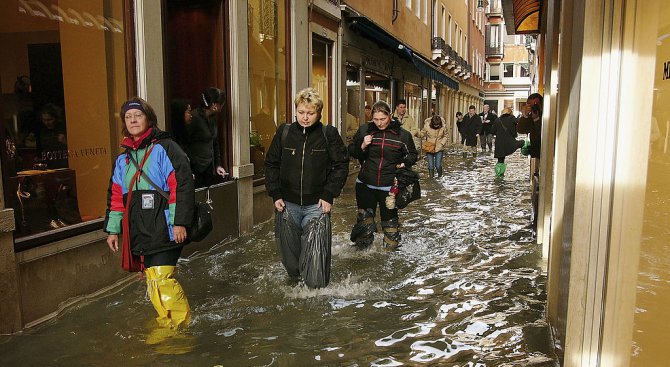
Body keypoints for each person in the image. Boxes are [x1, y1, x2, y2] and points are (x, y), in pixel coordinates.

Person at [105, 97, 195, 333]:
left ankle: (180, 330)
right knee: (154, 280)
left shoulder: (166, 148)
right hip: (140, 231)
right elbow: (116, 197)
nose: (133, 120)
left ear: (149, 119)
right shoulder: (122, 159)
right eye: (128, 117)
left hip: (165, 227)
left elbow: (182, 185)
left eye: (138, 115)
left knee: (161, 278)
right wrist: (113, 229)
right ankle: (170, 324)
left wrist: (179, 223)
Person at [264, 88, 349, 289]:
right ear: (296, 111)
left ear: (319, 113)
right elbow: (271, 163)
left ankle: (315, 299)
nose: (305, 117)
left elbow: (341, 165)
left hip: (316, 206)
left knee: (316, 267)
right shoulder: (284, 133)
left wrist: (329, 195)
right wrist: (275, 193)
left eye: (310, 113)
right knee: (290, 262)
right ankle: (295, 292)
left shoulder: (328, 134)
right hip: (287, 205)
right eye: (301, 112)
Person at [349, 100, 418, 249]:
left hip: (389, 188)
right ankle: (363, 259)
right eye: (376, 119)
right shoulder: (364, 130)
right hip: (365, 185)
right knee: (364, 226)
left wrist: (402, 164)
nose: (379, 123)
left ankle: (390, 261)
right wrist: (362, 145)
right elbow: (351, 152)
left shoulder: (402, 135)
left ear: (390, 116)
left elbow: (412, 155)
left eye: (383, 119)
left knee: (391, 228)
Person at [185, 87, 228, 188]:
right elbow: (185, 144)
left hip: (209, 168)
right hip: (196, 169)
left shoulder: (213, 119)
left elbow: (215, 143)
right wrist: (189, 169)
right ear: (213, 104)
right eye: (220, 103)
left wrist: (218, 165)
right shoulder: (194, 118)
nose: (222, 106)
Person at [516, 93, 543, 229]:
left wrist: (537, 118)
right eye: (531, 104)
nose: (534, 106)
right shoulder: (529, 117)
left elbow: (543, 133)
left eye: (535, 104)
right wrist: (526, 116)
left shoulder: (545, 115)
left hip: (544, 152)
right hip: (537, 154)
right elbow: (521, 129)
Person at [491, 107, 522, 178]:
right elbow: (519, 123)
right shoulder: (512, 118)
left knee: (500, 160)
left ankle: (499, 175)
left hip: (499, 143)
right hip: (510, 142)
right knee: (522, 143)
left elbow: (492, 131)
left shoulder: (497, 120)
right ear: (510, 112)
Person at [36, 103, 68, 168]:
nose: (46, 123)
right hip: (48, 167)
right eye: (44, 120)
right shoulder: (42, 131)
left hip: (62, 166)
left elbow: (74, 148)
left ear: (56, 118)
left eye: (49, 120)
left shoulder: (64, 129)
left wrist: (65, 142)